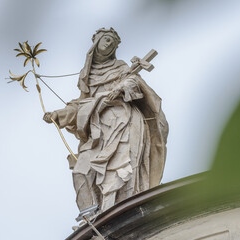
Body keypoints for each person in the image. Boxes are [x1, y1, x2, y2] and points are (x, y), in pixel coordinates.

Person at [43, 27, 168, 212]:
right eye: (106, 38)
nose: (108, 43)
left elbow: (135, 84)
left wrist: (121, 87)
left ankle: (124, 212)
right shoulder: (87, 76)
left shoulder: (121, 67)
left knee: (121, 173)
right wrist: (57, 115)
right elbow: (81, 104)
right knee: (81, 171)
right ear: (96, 41)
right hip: (97, 131)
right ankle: (92, 217)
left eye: (112, 41)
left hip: (123, 122)